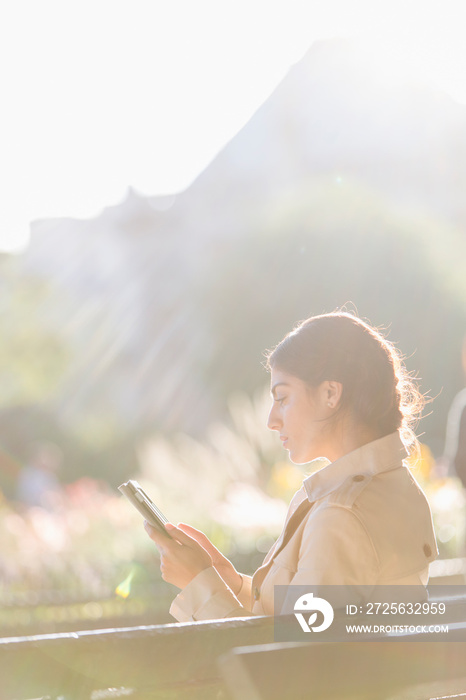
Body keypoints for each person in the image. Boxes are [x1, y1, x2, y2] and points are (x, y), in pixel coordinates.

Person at [145, 312, 438, 621]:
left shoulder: (341, 515)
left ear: (330, 393)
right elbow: (294, 626)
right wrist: (227, 582)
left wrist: (198, 585)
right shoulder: (394, 486)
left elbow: (285, 663)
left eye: (282, 398)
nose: (272, 420)